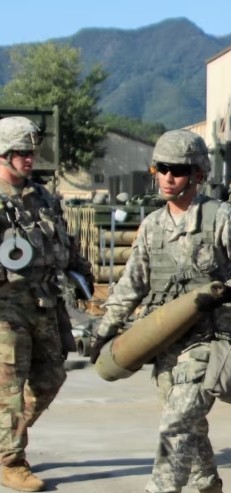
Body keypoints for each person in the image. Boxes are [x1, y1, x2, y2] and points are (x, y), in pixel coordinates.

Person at [89, 129, 231, 493]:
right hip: (166, 345)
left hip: (210, 344)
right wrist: (106, 330)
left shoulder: (221, 218)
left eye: (178, 170)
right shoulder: (153, 226)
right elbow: (131, 284)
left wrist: (230, 298)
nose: (168, 177)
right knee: (189, 424)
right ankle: (208, 484)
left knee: (175, 426)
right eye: (161, 168)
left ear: (198, 174)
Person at [0, 117, 92, 492]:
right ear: (3, 154)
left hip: (44, 302)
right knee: (9, 386)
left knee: (51, 376)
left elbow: (65, 241)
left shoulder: (43, 198)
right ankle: (11, 460)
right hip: (6, 308)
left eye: (32, 152)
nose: (29, 158)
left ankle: (5, 441)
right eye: (21, 152)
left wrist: (81, 273)